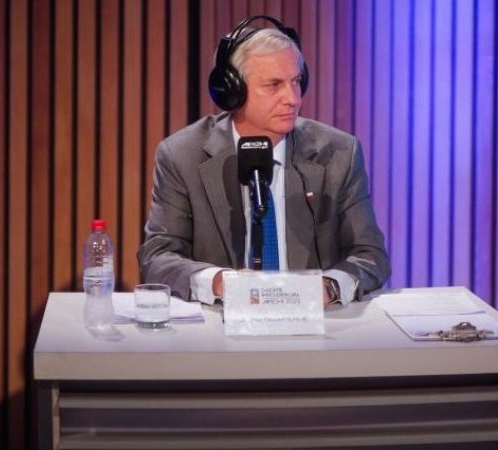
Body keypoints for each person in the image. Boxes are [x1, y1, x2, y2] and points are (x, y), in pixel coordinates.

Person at [137, 16, 390, 305]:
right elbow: (158, 256)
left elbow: (371, 255)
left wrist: (329, 286)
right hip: (219, 326)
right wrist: (219, 282)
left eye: (296, 82)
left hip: (316, 323)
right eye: (274, 85)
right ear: (233, 90)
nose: (292, 98)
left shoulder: (339, 153)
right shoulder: (182, 155)